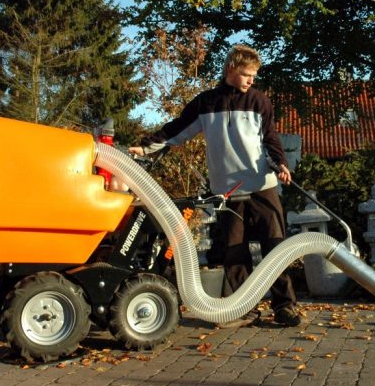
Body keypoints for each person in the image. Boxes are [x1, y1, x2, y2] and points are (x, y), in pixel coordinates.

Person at [128, 44, 302, 328]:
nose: (251, 80)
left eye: (254, 75)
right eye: (247, 74)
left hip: (262, 186)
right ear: (231, 70)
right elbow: (177, 129)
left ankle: (285, 308)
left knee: (276, 247)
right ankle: (242, 309)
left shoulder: (260, 102)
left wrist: (281, 164)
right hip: (228, 192)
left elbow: (270, 140)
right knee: (234, 251)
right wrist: (145, 147)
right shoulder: (206, 103)